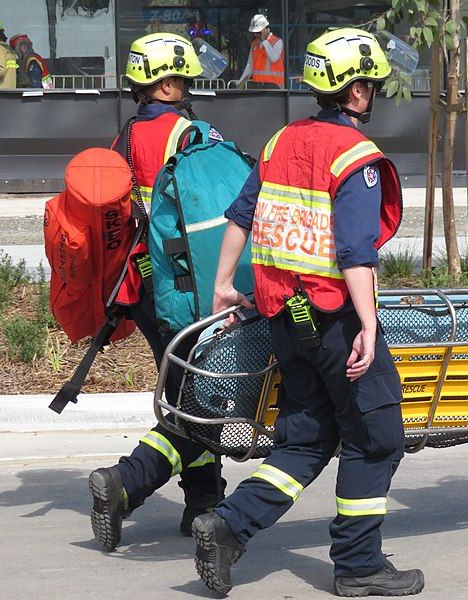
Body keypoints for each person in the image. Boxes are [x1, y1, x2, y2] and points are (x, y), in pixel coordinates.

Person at [192, 27, 424, 598]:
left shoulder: (279, 142)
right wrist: (369, 325)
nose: (373, 91)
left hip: (284, 321)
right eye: (371, 82)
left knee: (305, 438)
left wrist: (224, 284)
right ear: (357, 91)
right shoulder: (356, 156)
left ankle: (227, 525)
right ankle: (358, 564)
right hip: (332, 321)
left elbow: (240, 216)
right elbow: (354, 251)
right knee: (377, 436)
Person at [88, 32, 226, 552]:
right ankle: (126, 482)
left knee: (186, 394)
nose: (188, 87)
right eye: (185, 79)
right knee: (199, 404)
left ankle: (203, 503)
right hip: (183, 290)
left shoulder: (124, 135)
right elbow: (222, 200)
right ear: (167, 81)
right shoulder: (187, 132)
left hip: (143, 287)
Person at [235, 14, 284, 89]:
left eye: (258, 32)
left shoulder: (277, 42)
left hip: (274, 87)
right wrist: (241, 82)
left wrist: (265, 41)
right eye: (254, 33)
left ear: (266, 29)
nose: (256, 35)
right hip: (257, 86)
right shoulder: (255, 44)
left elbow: (273, 58)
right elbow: (250, 66)